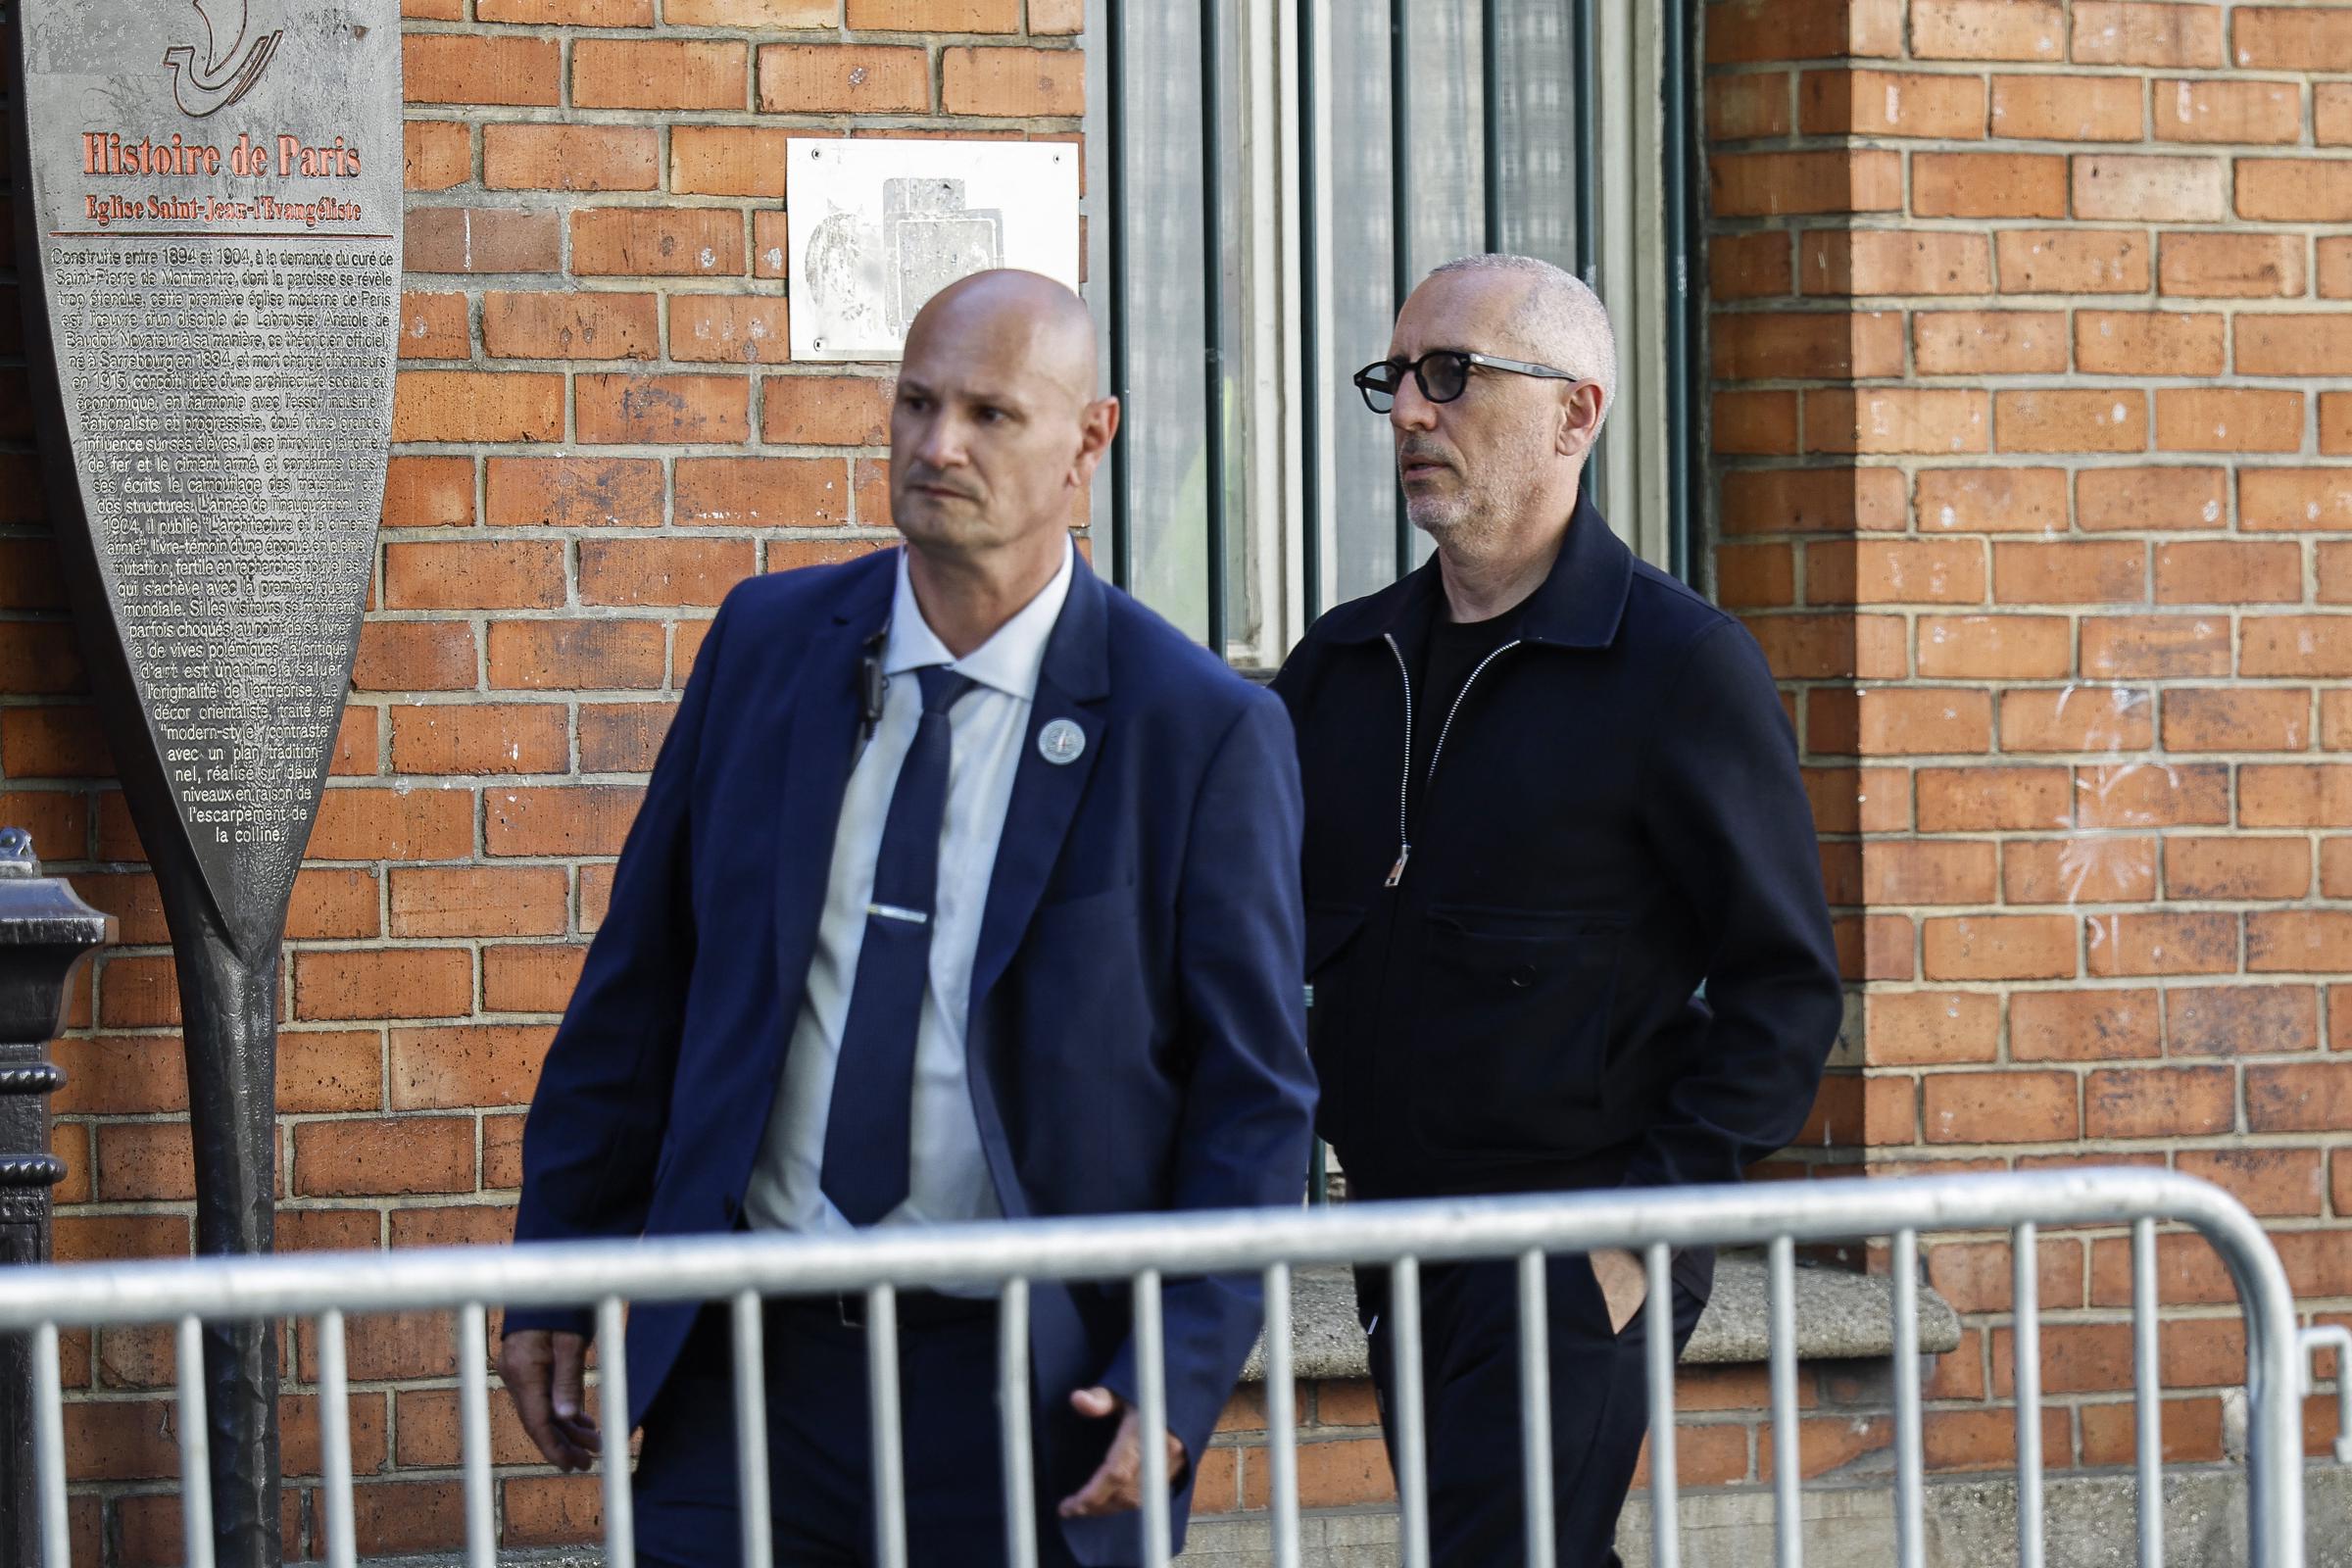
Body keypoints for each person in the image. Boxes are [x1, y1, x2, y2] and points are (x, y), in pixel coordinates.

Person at [498, 270, 1315, 1568]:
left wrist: (1178, 1373)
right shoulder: (766, 646)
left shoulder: (1196, 730)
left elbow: (1253, 1099)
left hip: (1022, 1394)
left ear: (1089, 442)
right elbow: (643, 984)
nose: (939, 446)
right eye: (918, 404)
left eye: (991, 414)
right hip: (746, 1375)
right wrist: (559, 1257)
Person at [1270, 254, 1841, 1565]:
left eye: (1452, 374)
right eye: (1397, 378)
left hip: (1579, 1240)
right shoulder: (1346, 665)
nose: (1413, 410)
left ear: (1576, 413)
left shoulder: (1678, 666)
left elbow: (1785, 990)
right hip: (1398, 1233)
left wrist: (1640, 1234)